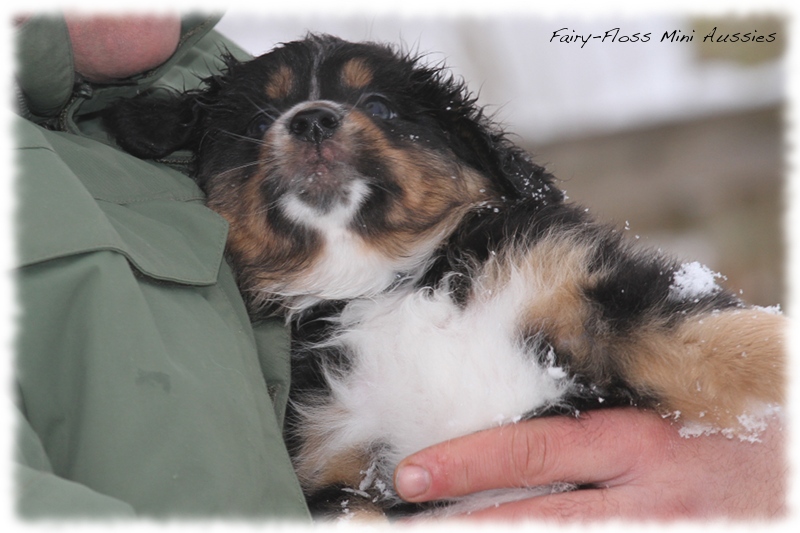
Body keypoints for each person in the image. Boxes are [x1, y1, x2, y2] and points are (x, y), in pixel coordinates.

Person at [13, 13, 786, 521]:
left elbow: (695, 341)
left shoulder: (533, 269)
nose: (313, 120)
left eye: (378, 110)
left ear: (474, 157)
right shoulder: (304, 386)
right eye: (259, 124)